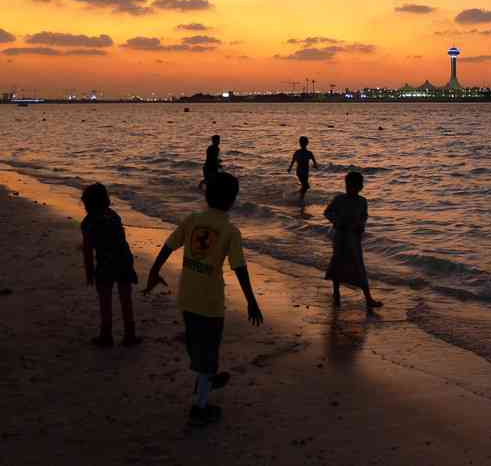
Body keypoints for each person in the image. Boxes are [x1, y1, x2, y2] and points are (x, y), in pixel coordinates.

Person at [144, 172, 264, 427]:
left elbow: (168, 245)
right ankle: (200, 407)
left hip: (187, 297)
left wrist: (154, 271)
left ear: (206, 194)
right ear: (233, 200)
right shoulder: (230, 231)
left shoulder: (193, 220)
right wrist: (251, 301)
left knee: (197, 343)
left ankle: (205, 378)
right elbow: (239, 268)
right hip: (210, 303)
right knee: (209, 352)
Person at [81, 183, 141, 348]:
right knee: (126, 300)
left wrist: (89, 271)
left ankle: (106, 335)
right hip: (123, 261)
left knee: (105, 301)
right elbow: (121, 241)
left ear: (87, 204)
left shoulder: (88, 223)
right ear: (106, 200)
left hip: (105, 265)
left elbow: (87, 250)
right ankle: (130, 335)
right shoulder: (114, 216)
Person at [324, 171, 382, 309]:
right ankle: (336, 293)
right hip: (340, 236)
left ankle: (368, 298)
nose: (352, 188)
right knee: (338, 263)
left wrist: (361, 226)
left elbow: (364, 216)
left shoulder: (362, 201)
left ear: (360, 186)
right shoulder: (339, 199)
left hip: (354, 237)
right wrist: (337, 222)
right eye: (349, 185)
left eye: (356, 185)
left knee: (359, 265)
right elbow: (328, 212)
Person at [287, 136, 318, 203]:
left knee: (305, 186)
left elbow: (314, 162)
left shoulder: (309, 153)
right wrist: (290, 168)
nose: (303, 144)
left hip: (306, 172)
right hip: (300, 171)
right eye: (302, 143)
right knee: (306, 186)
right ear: (300, 143)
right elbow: (293, 161)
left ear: (307, 143)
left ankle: (299, 197)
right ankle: (299, 198)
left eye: (304, 143)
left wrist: (315, 166)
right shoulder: (298, 152)